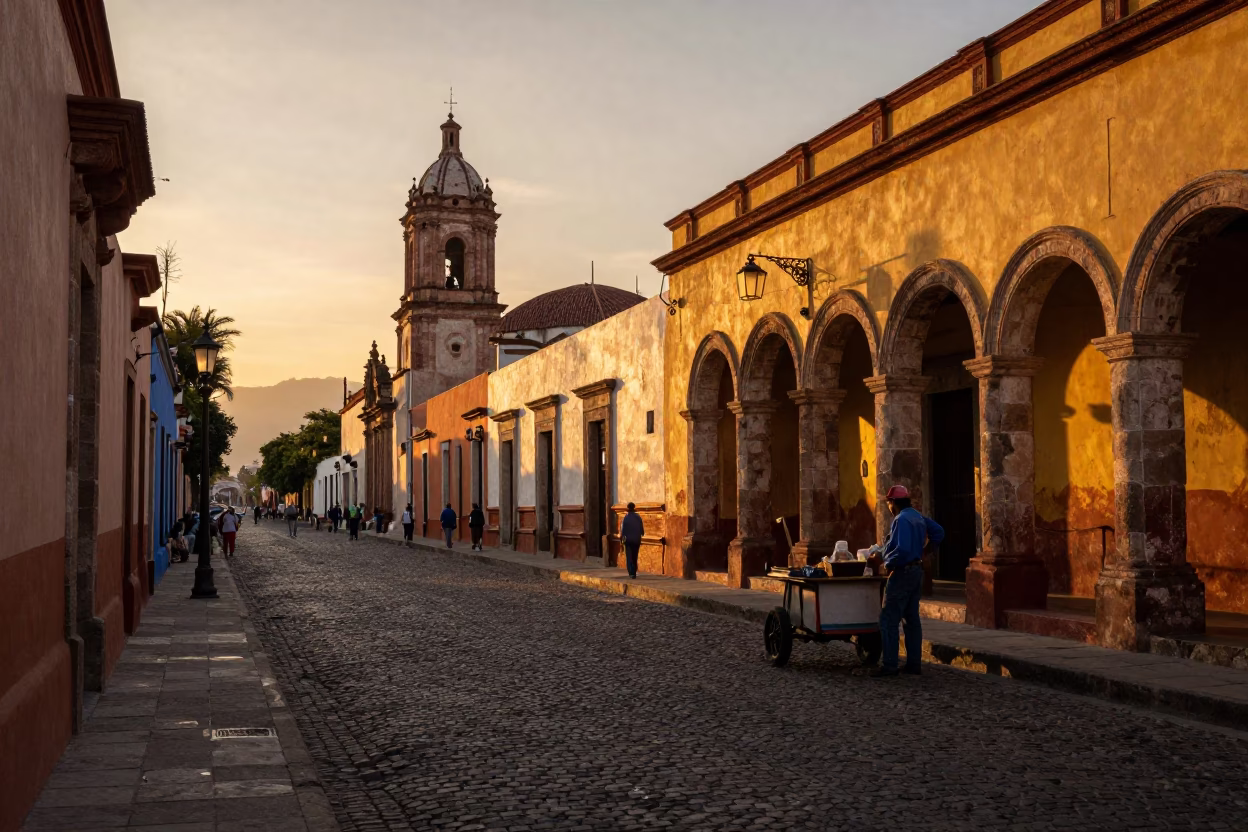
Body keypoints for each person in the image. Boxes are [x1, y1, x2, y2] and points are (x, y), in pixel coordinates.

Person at [867, 485, 944, 678]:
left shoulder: (900, 519)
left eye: (889, 504)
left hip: (902, 571)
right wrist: (926, 552)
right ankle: (913, 664)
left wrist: (887, 563)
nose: (889, 508)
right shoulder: (918, 516)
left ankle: (890, 665)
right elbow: (939, 532)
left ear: (892, 503)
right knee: (911, 618)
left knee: (888, 618)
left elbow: (901, 550)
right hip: (917, 571)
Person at [621, 502, 644, 579]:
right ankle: (634, 571)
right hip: (637, 540)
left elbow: (623, 530)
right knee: (635, 556)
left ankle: (631, 572)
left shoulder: (626, 518)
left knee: (629, 556)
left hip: (628, 540)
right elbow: (642, 530)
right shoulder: (638, 517)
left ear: (628, 508)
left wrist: (621, 538)